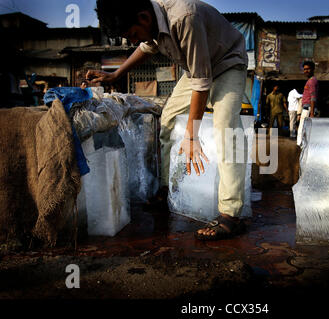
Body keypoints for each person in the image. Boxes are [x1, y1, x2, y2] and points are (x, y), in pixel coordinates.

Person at [86, 0, 248, 241]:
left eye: (131, 35)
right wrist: (117, 73)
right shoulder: (150, 20)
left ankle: (230, 214)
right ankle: (167, 188)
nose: (132, 41)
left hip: (227, 62)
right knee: (169, 117)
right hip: (197, 69)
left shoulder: (184, 18)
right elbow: (146, 47)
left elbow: (202, 84)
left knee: (225, 126)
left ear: (143, 18)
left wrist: (191, 136)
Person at [297, 61, 318, 145]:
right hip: (307, 108)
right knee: (304, 130)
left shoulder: (312, 81)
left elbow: (313, 97)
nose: (306, 71)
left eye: (308, 69)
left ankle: (299, 148)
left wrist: (312, 113)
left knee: (302, 130)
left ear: (313, 69)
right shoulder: (310, 80)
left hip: (308, 109)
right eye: (305, 69)